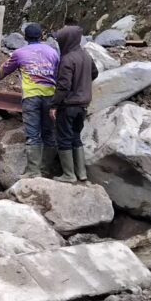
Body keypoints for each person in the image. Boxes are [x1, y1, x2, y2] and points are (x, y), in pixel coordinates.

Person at [0, 23, 60, 178]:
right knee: (49, 133)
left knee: (33, 135)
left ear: (25, 38)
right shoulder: (53, 52)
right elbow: (59, 74)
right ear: (42, 36)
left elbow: (4, 71)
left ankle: (34, 172)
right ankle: (46, 170)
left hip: (31, 97)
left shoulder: (19, 53)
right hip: (51, 97)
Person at [50, 23, 98, 183]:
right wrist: (82, 84)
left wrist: (54, 105)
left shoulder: (67, 59)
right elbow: (95, 73)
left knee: (64, 138)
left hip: (69, 105)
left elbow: (63, 85)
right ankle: (82, 173)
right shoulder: (86, 55)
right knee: (76, 137)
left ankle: (69, 175)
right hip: (83, 105)